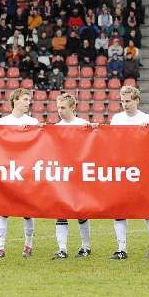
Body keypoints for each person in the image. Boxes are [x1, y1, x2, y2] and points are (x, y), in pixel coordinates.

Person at [109, 86, 149, 260]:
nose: (125, 104)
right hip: (123, 169)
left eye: (128, 101)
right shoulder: (116, 119)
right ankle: (121, 248)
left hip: (142, 170)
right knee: (119, 210)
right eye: (123, 101)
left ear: (137, 100)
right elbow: (109, 141)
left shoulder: (147, 118)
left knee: (147, 210)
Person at [0, 88, 40, 259]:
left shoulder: (33, 122)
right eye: (25, 99)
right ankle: (0, 247)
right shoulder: (1, 122)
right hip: (7, 170)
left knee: (27, 212)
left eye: (29, 100)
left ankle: (28, 245)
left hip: (26, 171)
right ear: (15, 100)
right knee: (3, 210)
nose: (28, 103)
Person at [52, 93, 98, 260]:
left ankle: (86, 246)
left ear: (73, 107)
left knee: (81, 212)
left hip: (79, 175)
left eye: (63, 107)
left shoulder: (83, 125)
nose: (60, 110)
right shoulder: (55, 128)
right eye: (58, 107)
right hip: (62, 174)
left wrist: (94, 129)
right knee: (61, 212)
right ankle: (62, 249)